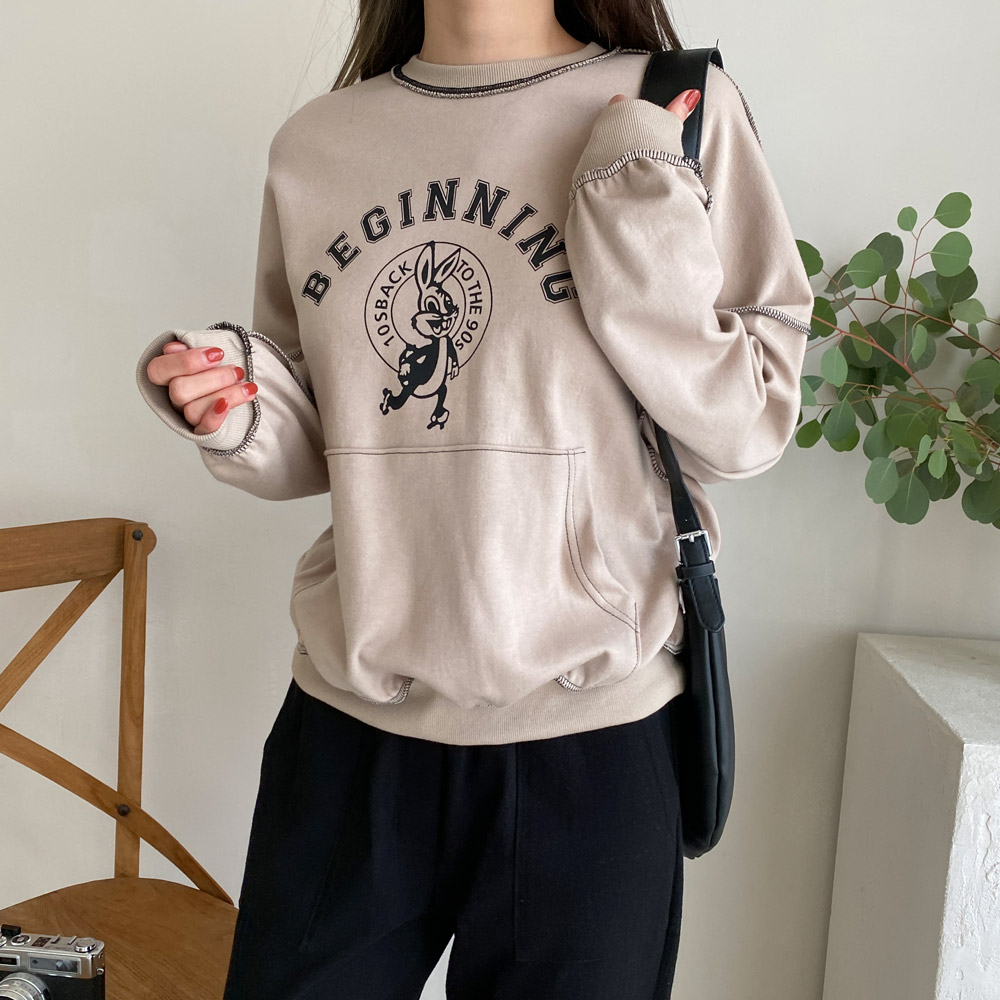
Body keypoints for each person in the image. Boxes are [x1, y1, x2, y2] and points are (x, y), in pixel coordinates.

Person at [135, 1, 813, 996]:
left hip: (591, 741)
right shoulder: (317, 144)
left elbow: (746, 427)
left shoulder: (669, 106)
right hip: (350, 729)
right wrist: (230, 402)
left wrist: (632, 218)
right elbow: (329, 432)